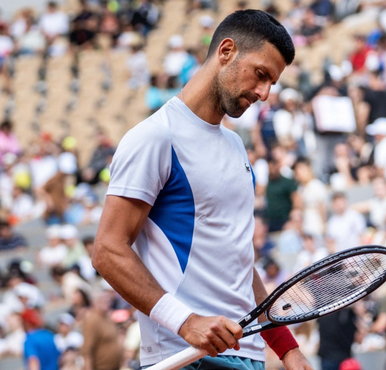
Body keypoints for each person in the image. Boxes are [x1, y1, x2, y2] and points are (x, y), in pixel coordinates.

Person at [93, 10, 311, 370]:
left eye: (272, 82)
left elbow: (239, 262)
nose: (264, 93)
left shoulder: (236, 146)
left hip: (247, 356)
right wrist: (187, 322)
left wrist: (287, 348)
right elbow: (107, 250)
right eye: (261, 75)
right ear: (226, 51)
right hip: (185, 358)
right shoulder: (155, 137)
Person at [80, 291, 123, 370]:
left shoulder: (107, 317)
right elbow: (87, 351)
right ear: (94, 302)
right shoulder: (92, 320)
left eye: (107, 300)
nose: (105, 302)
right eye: (102, 300)